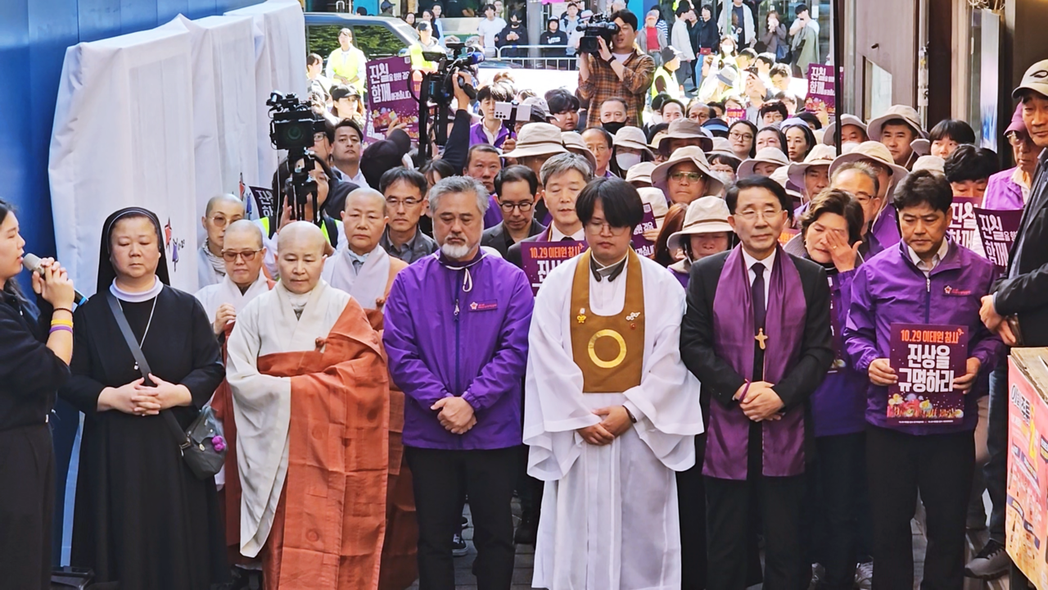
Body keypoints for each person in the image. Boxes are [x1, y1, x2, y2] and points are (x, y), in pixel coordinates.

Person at [524, 177, 703, 589]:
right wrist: (577, 417)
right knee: (575, 531)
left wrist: (632, 410)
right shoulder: (558, 284)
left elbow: (674, 359)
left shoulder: (662, 285)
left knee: (643, 532)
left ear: (632, 227)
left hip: (640, 431)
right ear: (583, 224)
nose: (605, 233)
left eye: (616, 224)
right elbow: (545, 357)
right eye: (596, 223)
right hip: (579, 431)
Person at [844, 170, 1002, 589]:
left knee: (948, 528)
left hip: (951, 425)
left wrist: (977, 363)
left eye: (929, 219)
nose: (918, 229)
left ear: (948, 217)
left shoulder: (979, 272)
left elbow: (992, 338)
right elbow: (853, 333)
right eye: (909, 219)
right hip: (888, 423)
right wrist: (869, 362)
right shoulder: (875, 271)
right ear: (896, 217)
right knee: (889, 526)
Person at [679, 176, 834, 589]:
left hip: (789, 427)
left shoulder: (811, 277)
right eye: (749, 211)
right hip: (725, 424)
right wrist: (741, 390)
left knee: (788, 546)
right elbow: (693, 344)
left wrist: (780, 395)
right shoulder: (707, 274)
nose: (760, 221)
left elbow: (820, 351)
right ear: (733, 221)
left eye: (769, 211)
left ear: (785, 218)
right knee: (726, 545)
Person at [62, 207, 227, 589]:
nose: (134, 251)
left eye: (144, 242)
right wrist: (113, 397)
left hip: (173, 449)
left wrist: (176, 394)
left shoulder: (185, 306)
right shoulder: (90, 315)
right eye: (123, 243)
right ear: (109, 253)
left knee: (177, 549)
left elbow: (210, 366)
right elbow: (68, 379)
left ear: (159, 250)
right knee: (118, 546)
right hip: (112, 450)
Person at [383, 176, 533, 589]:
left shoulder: (510, 280)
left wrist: (472, 402)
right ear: (430, 217)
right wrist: (443, 403)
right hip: (430, 435)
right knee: (432, 538)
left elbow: (514, 351)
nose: (456, 228)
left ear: (484, 218)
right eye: (446, 217)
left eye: (466, 218)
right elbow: (400, 354)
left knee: (496, 536)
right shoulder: (409, 282)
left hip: (494, 432)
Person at [225, 221, 390, 589]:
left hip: (333, 445)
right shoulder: (255, 311)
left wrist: (295, 387)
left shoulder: (343, 307)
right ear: (274, 258)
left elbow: (367, 372)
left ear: (324, 259)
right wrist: (304, 389)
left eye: (309, 259)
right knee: (286, 536)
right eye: (290, 258)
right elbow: (239, 377)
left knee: (337, 535)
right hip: (277, 448)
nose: (299, 269)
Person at [976, 62, 1048, 582]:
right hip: (1023, 340)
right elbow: (1024, 254)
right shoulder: (1042, 165)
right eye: (1031, 105)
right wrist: (1001, 297)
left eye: (1047, 105)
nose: (1038, 117)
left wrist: (1004, 299)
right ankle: (1010, 540)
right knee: (1009, 449)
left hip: (1041, 344)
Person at [795, 190, 871, 590]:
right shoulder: (786, 272)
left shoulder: (863, 277)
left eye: (838, 233)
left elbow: (861, 332)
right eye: (819, 229)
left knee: (842, 503)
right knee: (800, 502)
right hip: (794, 405)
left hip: (846, 408)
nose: (825, 240)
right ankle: (804, 567)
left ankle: (841, 574)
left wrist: (847, 271)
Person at [0, 200, 74, 589]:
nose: (22, 244)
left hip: (30, 439)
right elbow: (49, 370)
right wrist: (64, 308)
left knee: (33, 555)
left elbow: (39, 351)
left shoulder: (10, 300)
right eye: (11, 235)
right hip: (9, 448)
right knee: (16, 558)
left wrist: (47, 307)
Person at [322, 188, 410, 309]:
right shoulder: (323, 268)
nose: (362, 225)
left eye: (372, 217)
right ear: (343, 217)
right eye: (355, 215)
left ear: (385, 223)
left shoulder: (400, 271)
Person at [506, 153, 593, 267]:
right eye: (556, 190)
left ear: (588, 194)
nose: (564, 198)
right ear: (545, 198)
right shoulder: (520, 252)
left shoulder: (604, 248)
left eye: (573, 189)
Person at [576, 9, 656, 129]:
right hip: (598, 130)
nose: (619, 33)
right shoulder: (596, 60)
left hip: (629, 129)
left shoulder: (644, 61)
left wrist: (610, 58)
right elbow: (585, 92)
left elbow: (637, 85)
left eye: (624, 28)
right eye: (615, 29)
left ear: (635, 33)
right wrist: (583, 56)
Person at [828, 141, 910, 256]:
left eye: (876, 168)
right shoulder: (817, 233)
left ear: (890, 179)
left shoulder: (901, 221)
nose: (853, 203)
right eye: (845, 195)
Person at [666, 196, 733, 288]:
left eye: (717, 236)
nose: (708, 244)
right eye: (700, 236)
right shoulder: (672, 279)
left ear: (731, 241)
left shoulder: (747, 274)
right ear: (687, 242)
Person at [481, 166, 547, 257]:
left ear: (536, 199)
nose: (516, 213)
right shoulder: (482, 242)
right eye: (508, 205)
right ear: (497, 201)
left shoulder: (550, 240)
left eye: (524, 205)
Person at [983, 103, 1038, 211]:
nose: (1023, 148)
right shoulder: (996, 184)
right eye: (1017, 138)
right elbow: (981, 227)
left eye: (1031, 140)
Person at [379, 167, 439, 263]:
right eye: (393, 201)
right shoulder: (369, 246)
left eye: (409, 202)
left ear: (423, 206)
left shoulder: (434, 252)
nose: (400, 210)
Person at [198, 194, 246, 289]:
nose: (227, 227)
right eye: (219, 219)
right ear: (204, 222)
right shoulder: (193, 266)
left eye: (235, 221)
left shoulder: (253, 263)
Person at [652, 146, 726, 205]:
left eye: (693, 176)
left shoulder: (716, 221)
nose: (684, 182)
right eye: (677, 175)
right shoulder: (653, 218)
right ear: (667, 182)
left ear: (706, 186)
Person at [867, 105, 928, 169]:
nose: (892, 143)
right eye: (887, 136)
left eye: (900, 136)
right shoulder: (873, 171)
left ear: (915, 139)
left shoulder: (923, 172)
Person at [470, 83, 514, 149]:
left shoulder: (512, 133)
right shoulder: (470, 132)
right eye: (487, 103)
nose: (491, 107)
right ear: (480, 105)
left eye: (496, 103)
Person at [326, 28, 368, 93]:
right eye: (341, 37)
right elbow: (329, 71)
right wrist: (340, 78)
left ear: (350, 38)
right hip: (338, 90)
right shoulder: (334, 54)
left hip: (354, 90)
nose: (342, 39)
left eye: (345, 36)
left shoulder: (358, 53)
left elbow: (363, 71)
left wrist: (350, 82)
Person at [332, 118, 369, 187]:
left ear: (361, 146)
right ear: (331, 147)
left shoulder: (371, 178)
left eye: (354, 140)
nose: (349, 144)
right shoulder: (327, 180)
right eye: (342, 140)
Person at [788, 4, 819, 77]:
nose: (800, 15)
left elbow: (813, 38)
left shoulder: (813, 24)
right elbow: (791, 32)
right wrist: (799, 26)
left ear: (806, 11)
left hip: (807, 50)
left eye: (801, 13)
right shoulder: (797, 21)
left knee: (806, 69)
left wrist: (806, 27)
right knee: (796, 70)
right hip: (797, 48)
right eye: (798, 14)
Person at [672, 4, 696, 89]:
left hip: (680, 55)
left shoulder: (678, 24)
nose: (689, 14)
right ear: (683, 13)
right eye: (687, 12)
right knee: (682, 75)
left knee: (685, 73)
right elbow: (683, 42)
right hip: (682, 56)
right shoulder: (680, 25)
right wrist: (687, 55)